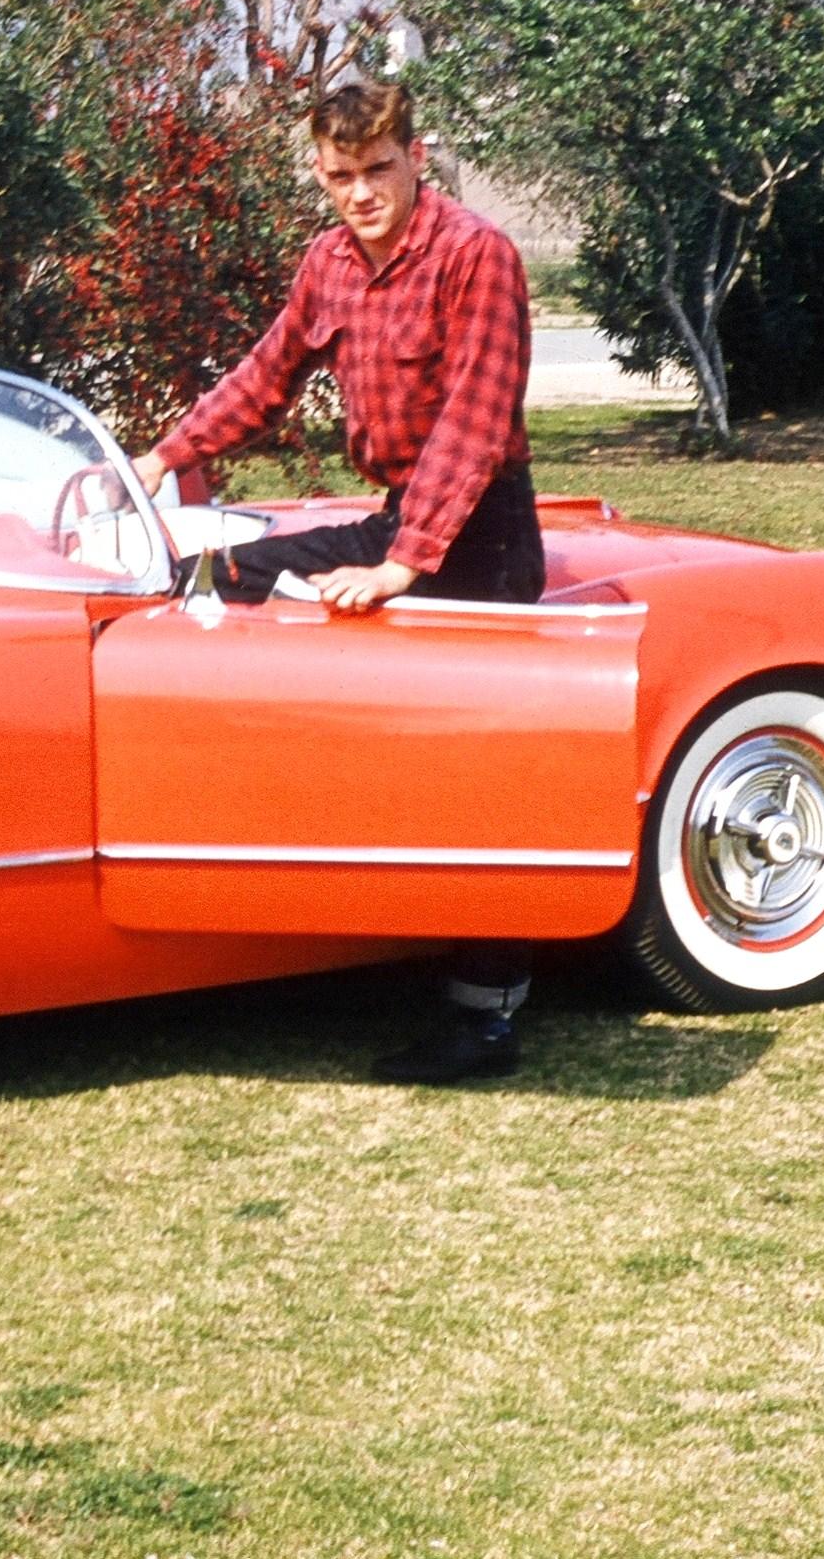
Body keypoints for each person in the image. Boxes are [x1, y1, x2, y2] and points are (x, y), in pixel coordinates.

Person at [128, 75, 542, 1084]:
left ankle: (485, 1021)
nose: (361, 193)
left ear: (417, 157)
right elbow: (266, 375)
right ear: (320, 174)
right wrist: (155, 459)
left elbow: (475, 425)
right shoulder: (329, 262)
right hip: (401, 514)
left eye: (378, 171)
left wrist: (404, 566)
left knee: (468, 772)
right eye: (340, 176)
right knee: (210, 577)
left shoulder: (475, 255)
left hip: (478, 537)